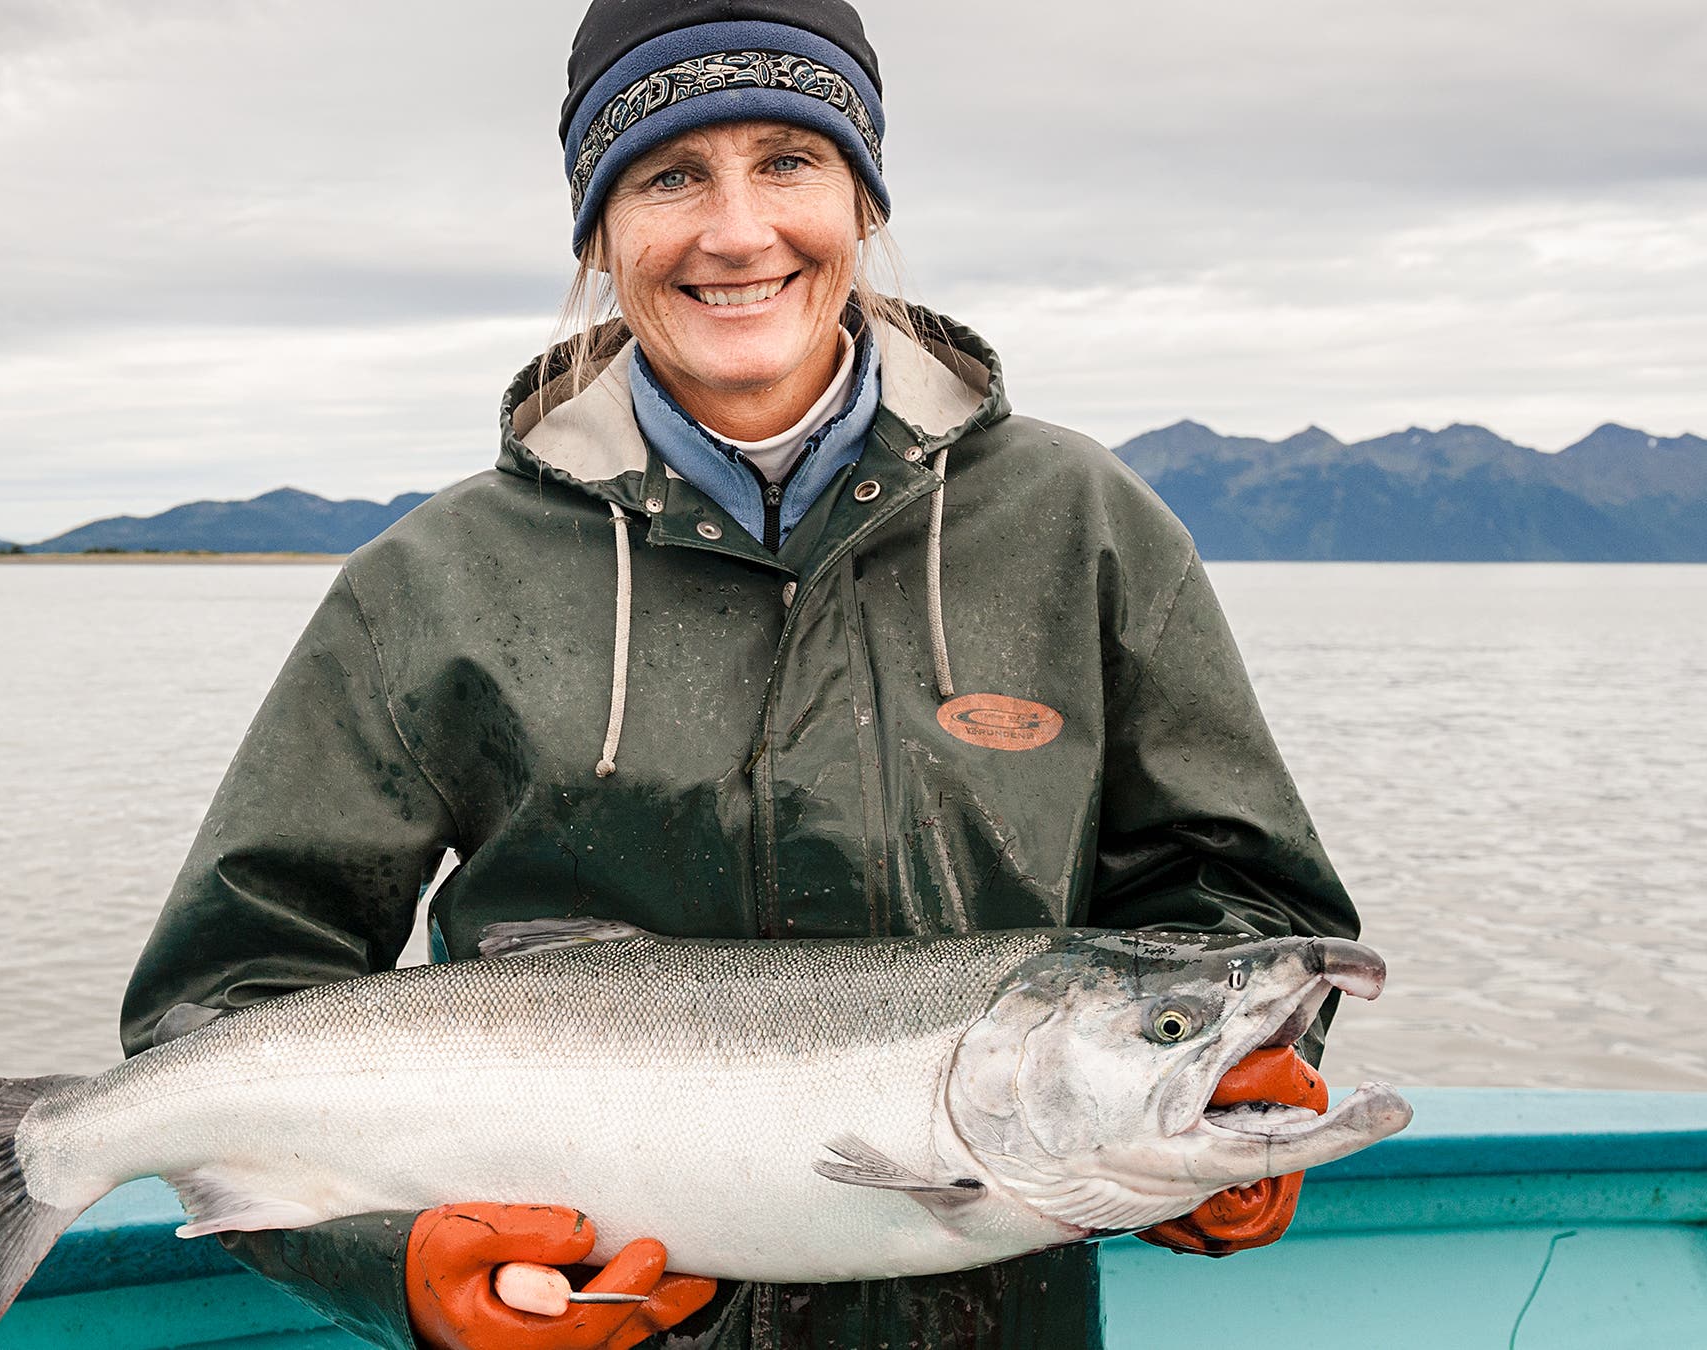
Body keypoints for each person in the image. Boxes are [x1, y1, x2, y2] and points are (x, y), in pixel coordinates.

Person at [119, 1, 1358, 1346]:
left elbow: (1237, 912)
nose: (735, 230)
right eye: (667, 175)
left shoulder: (1085, 526)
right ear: (598, 232)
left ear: (865, 198)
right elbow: (227, 1000)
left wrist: (1220, 1106)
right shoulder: (428, 585)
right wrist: (397, 1261)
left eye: (788, 159)